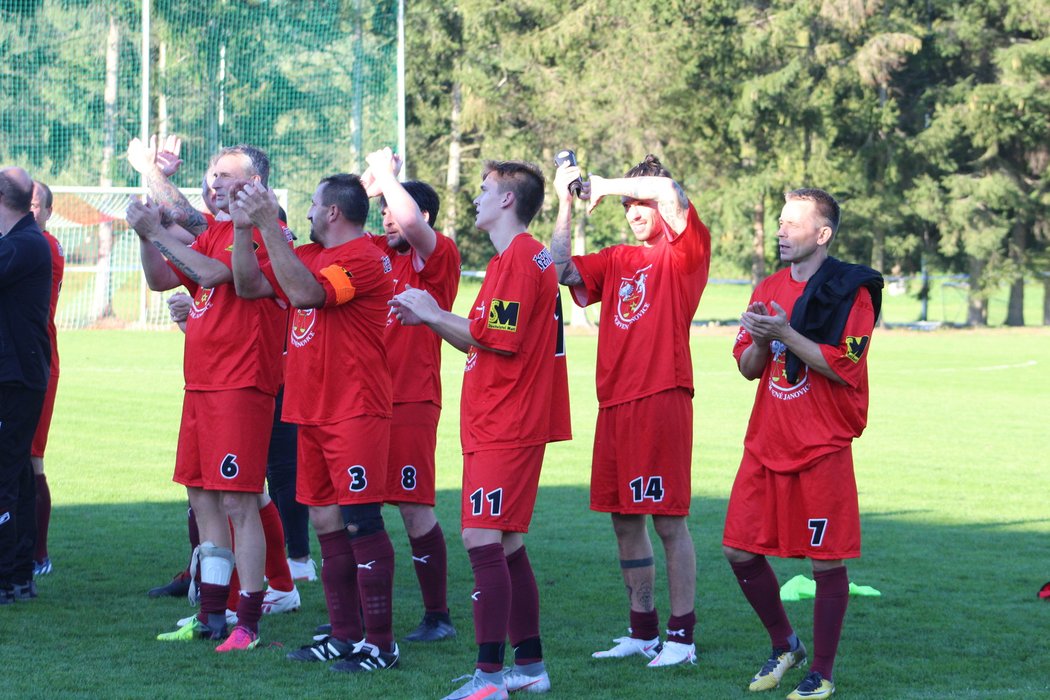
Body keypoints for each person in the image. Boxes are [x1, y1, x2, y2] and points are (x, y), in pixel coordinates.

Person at [390, 159, 569, 699]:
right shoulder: (514, 260)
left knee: (480, 537)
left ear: (509, 200)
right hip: (500, 417)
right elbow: (481, 336)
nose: (476, 197)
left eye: (486, 189)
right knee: (508, 543)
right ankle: (530, 666)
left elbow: (498, 339)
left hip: (507, 420)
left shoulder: (519, 259)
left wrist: (429, 309)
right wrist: (434, 316)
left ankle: (489, 678)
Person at [230, 174, 400, 673]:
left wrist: (267, 224)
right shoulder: (307, 255)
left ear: (333, 213)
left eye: (312, 203)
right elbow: (247, 284)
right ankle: (346, 636)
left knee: (362, 522)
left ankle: (382, 644)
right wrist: (245, 230)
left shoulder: (365, 260)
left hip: (355, 409)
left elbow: (307, 296)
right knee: (326, 524)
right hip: (311, 411)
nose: (305, 212)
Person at [126, 137, 290, 652]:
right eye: (213, 174)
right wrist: (144, 236)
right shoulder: (215, 229)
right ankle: (211, 616)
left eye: (227, 174)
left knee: (240, 502)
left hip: (239, 384)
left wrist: (159, 230)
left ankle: (249, 622)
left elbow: (221, 276)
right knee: (203, 499)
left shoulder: (269, 229)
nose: (215, 182)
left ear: (256, 183)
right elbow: (160, 278)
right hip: (201, 383)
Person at [550, 154, 711, 667]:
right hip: (614, 403)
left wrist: (608, 183)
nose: (633, 210)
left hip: (661, 395)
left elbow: (671, 191)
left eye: (640, 201)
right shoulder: (618, 257)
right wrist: (564, 201)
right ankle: (643, 631)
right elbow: (559, 269)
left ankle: (682, 637)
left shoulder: (686, 248)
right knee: (624, 520)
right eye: (626, 204)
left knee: (668, 521)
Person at [722, 188, 882, 699]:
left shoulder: (850, 291)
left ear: (823, 234)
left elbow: (844, 365)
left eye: (793, 223)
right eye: (780, 222)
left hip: (821, 445)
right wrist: (764, 339)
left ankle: (823, 673)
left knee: (825, 561)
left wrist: (785, 333)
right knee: (737, 551)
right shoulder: (768, 286)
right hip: (766, 441)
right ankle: (786, 644)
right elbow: (748, 368)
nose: (781, 231)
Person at [362, 147, 461, 642]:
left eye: (394, 211)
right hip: (363, 403)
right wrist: (371, 184)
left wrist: (386, 177)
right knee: (358, 505)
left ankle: (438, 616)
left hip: (411, 400)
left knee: (413, 505)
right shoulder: (377, 255)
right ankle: (362, 615)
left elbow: (415, 229)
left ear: (420, 217)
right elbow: (337, 220)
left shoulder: (436, 258)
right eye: (383, 212)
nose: (386, 220)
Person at [0, 166, 52, 604]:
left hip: (15, 378)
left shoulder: (23, 245)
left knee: (7, 475)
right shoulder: (20, 243)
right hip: (17, 374)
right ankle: (17, 575)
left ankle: (9, 577)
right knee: (15, 474)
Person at [28, 180, 64, 577]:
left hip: (37, 365)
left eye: (36, 205)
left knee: (30, 459)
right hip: (16, 364)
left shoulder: (46, 248)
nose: (30, 211)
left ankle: (38, 554)